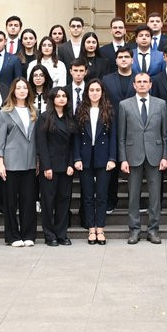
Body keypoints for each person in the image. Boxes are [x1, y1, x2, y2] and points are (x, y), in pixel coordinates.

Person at [117, 72, 167, 244]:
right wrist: (123, 159)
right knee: (133, 195)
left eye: (145, 81)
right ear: (134, 85)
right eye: (138, 82)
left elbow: (165, 134)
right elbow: (121, 136)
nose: (141, 84)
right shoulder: (124, 105)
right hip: (133, 155)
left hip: (155, 154)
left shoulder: (161, 104)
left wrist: (165, 156)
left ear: (150, 84)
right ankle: (134, 230)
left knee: (155, 196)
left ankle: (153, 230)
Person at [0, 77, 39, 246]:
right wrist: (0, 161)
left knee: (28, 201)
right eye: (18, 88)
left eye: (25, 88)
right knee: (10, 202)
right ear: (13, 91)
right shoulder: (5, 112)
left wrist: (38, 160)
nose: (22, 90)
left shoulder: (34, 111)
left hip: (30, 162)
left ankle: (28, 235)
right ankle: (13, 236)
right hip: (11, 162)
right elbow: (1, 140)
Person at [75, 80, 115, 245]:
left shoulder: (108, 110)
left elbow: (113, 136)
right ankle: (91, 229)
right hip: (85, 157)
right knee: (88, 195)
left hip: (103, 157)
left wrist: (112, 158)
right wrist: (77, 158)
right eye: (91, 90)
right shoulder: (80, 110)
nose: (94, 93)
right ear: (87, 92)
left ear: (102, 92)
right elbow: (76, 137)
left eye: (98, 90)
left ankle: (100, 229)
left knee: (102, 195)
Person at [37, 87, 77, 247]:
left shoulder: (70, 118)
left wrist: (71, 164)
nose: (61, 98)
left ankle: (61, 234)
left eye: (64, 96)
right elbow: (42, 144)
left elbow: (73, 145)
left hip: (66, 166)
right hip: (50, 167)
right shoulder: (44, 117)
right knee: (48, 201)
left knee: (64, 201)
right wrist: (46, 166)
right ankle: (49, 234)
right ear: (52, 99)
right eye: (58, 96)